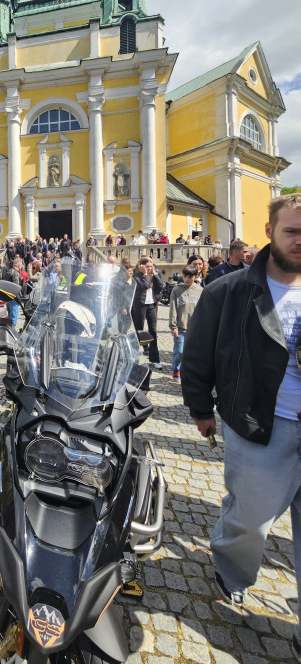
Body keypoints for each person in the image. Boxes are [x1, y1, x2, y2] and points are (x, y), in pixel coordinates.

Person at [181, 194, 301, 655]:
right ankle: (232, 570)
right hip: (258, 424)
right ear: (268, 232)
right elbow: (198, 354)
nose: (300, 240)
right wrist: (200, 410)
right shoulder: (227, 290)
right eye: (292, 231)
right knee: (250, 522)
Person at [169, 265, 202, 383]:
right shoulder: (177, 290)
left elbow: (202, 309)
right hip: (181, 327)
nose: (187, 279)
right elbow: (173, 308)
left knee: (193, 352)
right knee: (179, 351)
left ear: (196, 277)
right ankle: (176, 369)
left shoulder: (200, 290)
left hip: (195, 328)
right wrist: (173, 327)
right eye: (185, 276)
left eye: (190, 276)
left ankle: (189, 371)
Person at [131, 257, 164, 369]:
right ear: (141, 265)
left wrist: (155, 275)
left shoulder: (154, 273)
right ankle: (134, 356)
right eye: (147, 266)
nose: (149, 268)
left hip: (151, 305)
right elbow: (144, 286)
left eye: (151, 266)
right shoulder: (136, 275)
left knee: (153, 331)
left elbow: (161, 286)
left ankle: (155, 359)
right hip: (140, 305)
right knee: (138, 330)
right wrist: (144, 274)